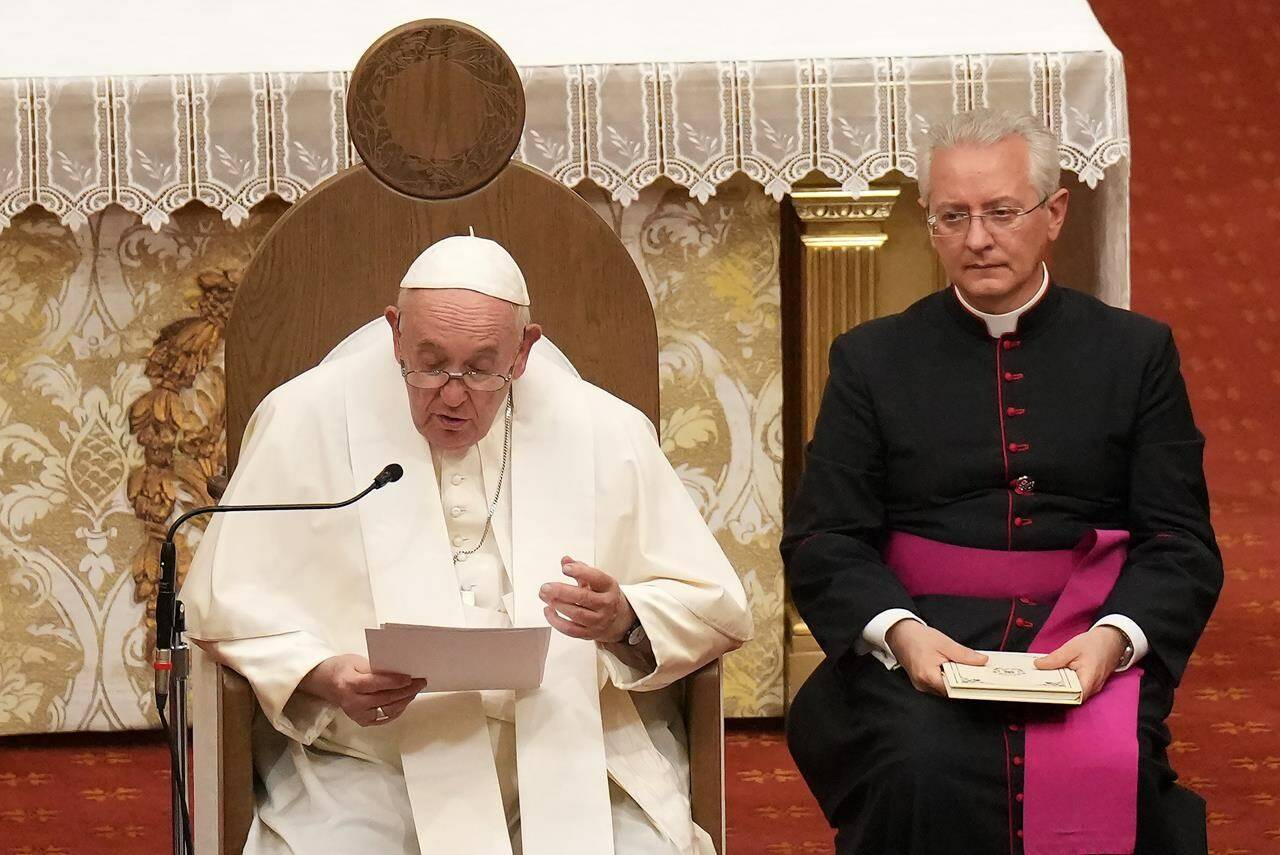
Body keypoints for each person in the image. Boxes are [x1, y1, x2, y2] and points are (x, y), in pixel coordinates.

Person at [184, 233, 753, 855]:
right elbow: (228, 604)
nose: (452, 394)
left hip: (571, 746)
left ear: (525, 350)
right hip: (375, 755)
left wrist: (624, 618)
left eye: (481, 369)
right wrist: (323, 674)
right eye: (429, 364)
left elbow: (714, 604)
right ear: (395, 332)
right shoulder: (303, 418)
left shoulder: (604, 429)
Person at [782, 109, 1221, 855]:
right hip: (930, 638)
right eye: (953, 215)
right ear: (929, 225)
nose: (977, 238)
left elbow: (1180, 541)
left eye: (1000, 212)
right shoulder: (871, 359)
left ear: (1053, 214)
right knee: (921, 763)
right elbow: (825, 537)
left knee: (1112, 763)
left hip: (1084, 634)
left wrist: (1115, 638)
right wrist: (903, 635)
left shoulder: (1136, 353)